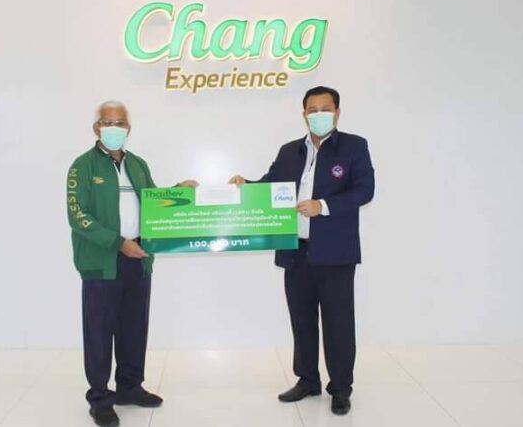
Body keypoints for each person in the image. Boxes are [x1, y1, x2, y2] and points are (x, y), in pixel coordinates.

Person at [229, 86, 374, 415]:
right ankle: (307, 380)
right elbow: (269, 186)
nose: (319, 114)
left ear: (337, 112)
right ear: (304, 114)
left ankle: (340, 388)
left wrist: (323, 205)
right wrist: (246, 186)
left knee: (338, 324)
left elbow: (365, 190)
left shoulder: (354, 146)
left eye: (326, 108)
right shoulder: (289, 151)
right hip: (296, 251)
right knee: (302, 321)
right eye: (312, 109)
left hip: (336, 253)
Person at [67, 101, 197, 427]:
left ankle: (129, 387)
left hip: (138, 258)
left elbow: (153, 202)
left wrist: (179, 193)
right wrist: (117, 243)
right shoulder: (83, 166)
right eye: (107, 122)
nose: (114, 128)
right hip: (102, 262)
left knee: (134, 328)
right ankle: (100, 399)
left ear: (128, 128)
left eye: (120, 122)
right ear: (96, 127)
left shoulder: (137, 165)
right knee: (99, 333)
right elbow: (78, 215)